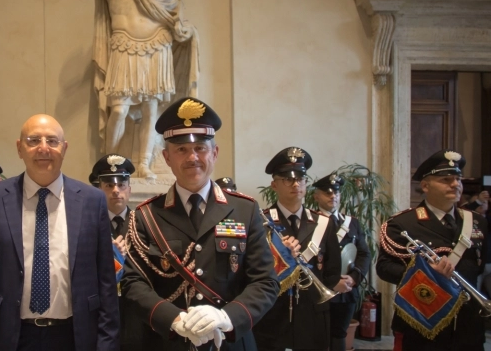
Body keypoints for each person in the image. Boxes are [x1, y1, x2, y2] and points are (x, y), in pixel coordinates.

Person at [122, 97, 279, 351]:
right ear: (167, 157)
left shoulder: (245, 210)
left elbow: (265, 282)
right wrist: (173, 319)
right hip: (169, 342)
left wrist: (227, 318)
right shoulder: (145, 215)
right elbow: (133, 283)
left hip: (230, 343)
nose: (192, 158)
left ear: (214, 153)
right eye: (181, 149)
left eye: (200, 148)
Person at [0, 114, 120, 351]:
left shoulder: (92, 200)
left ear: (64, 148)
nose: (43, 148)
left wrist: (106, 344)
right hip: (10, 336)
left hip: (74, 336)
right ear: (19, 148)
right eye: (33, 140)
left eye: (52, 141)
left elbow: (106, 283)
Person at [65, 0, 200, 178]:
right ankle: (110, 162)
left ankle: (143, 164)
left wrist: (185, 31)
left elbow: (177, 25)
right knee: (118, 109)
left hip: (157, 48)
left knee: (151, 110)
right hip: (124, 48)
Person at [378, 150, 488, 351]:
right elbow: (384, 268)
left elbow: (484, 268)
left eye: (457, 179)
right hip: (421, 321)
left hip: (468, 323)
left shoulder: (477, 221)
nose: (455, 185)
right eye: (446, 180)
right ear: (426, 186)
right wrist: (426, 275)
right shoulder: (402, 224)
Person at [252, 147, 342, 351]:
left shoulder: (323, 223)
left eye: (301, 179)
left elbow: (332, 271)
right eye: (287, 179)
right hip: (273, 312)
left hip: (312, 312)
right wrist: (279, 255)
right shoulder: (260, 222)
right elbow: (253, 270)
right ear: (274, 184)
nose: (296, 184)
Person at [90, 154, 143, 350]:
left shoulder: (143, 224)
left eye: (121, 185)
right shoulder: (89, 225)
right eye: (108, 186)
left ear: (129, 189)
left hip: (135, 313)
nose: (116, 191)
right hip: (100, 314)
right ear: (99, 189)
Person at [312, 173, 370, 351]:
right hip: (318, 291)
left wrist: (353, 278)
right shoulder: (310, 221)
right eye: (328, 193)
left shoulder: (352, 223)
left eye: (336, 193)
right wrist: (330, 282)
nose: (333, 196)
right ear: (316, 196)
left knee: (339, 335)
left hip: (346, 291)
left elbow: (364, 254)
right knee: (316, 336)